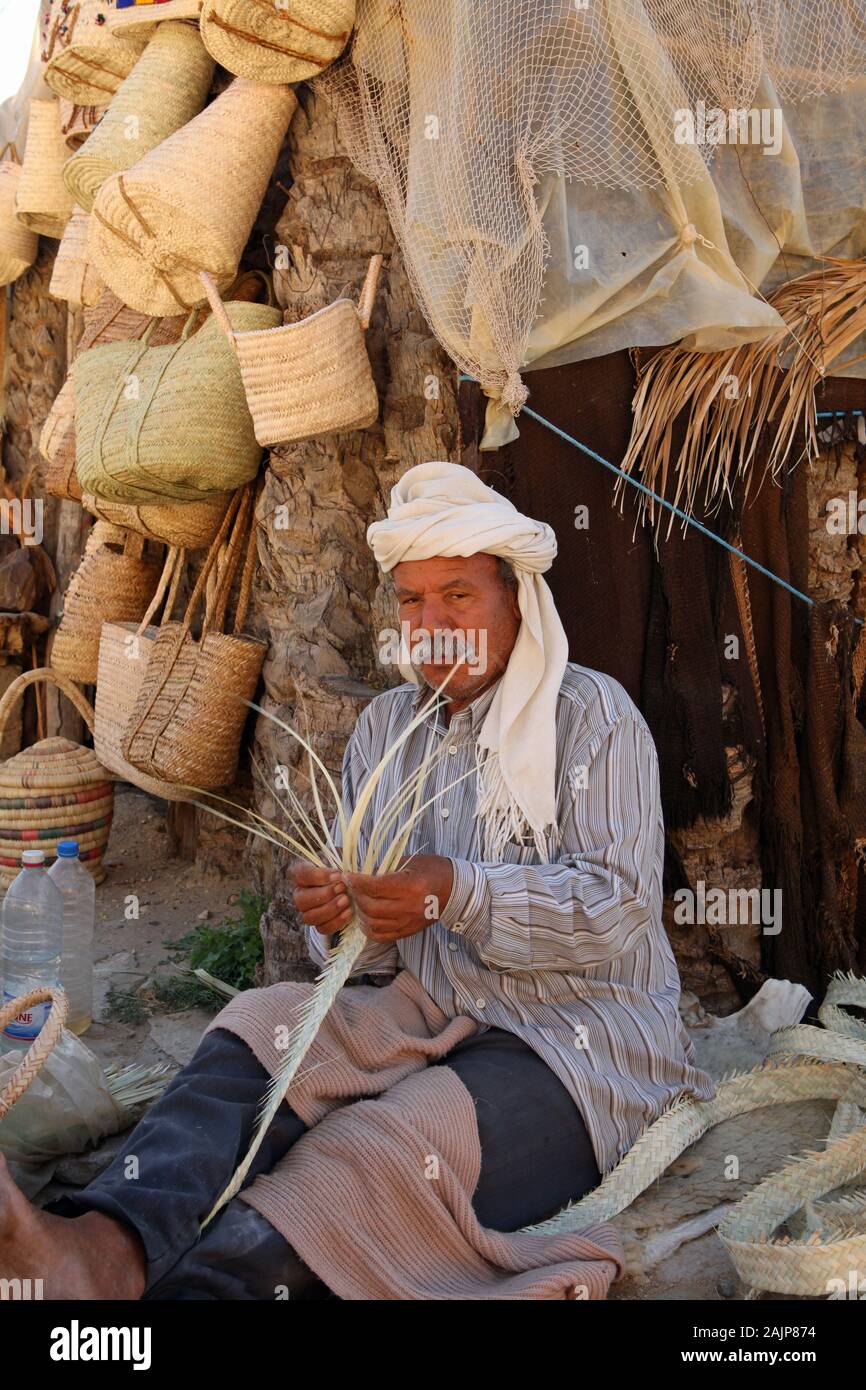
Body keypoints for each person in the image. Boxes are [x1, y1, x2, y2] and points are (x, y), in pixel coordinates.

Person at [0, 461, 714, 1300]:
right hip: (428, 1010)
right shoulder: (388, 727)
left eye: (459, 596)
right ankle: (101, 1252)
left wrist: (458, 890)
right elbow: (368, 961)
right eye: (413, 602)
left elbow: (618, 909)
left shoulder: (593, 718)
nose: (433, 625)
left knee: (375, 1152)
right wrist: (342, 919)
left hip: (578, 1045)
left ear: (516, 601)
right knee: (256, 1029)